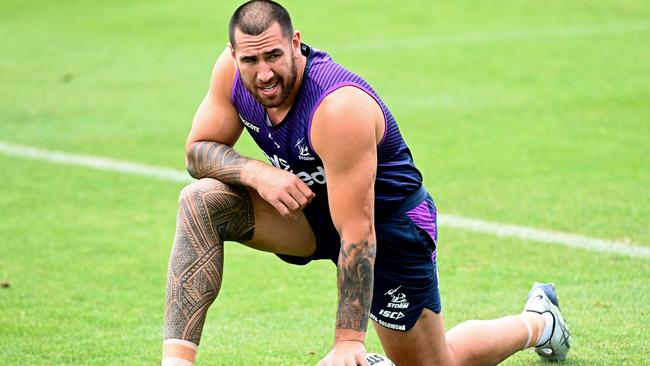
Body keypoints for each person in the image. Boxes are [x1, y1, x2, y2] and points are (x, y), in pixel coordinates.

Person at [161, 1, 571, 365]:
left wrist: (347, 343)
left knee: (434, 364)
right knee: (200, 202)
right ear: (234, 54)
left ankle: (537, 321)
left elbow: (358, 233)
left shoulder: (338, 107)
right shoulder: (231, 73)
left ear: (295, 43)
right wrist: (257, 172)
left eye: (273, 56)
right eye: (251, 60)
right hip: (309, 212)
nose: (264, 73)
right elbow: (197, 151)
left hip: (388, 222)